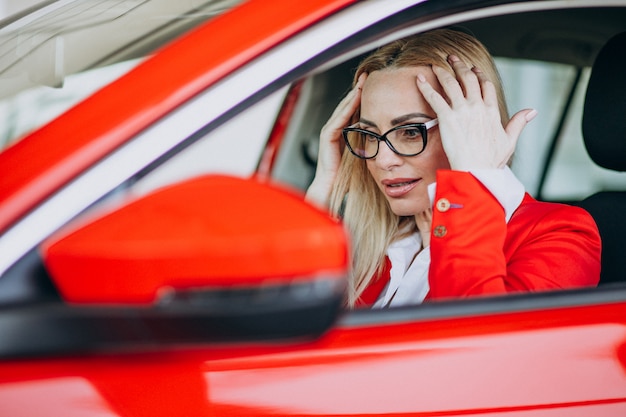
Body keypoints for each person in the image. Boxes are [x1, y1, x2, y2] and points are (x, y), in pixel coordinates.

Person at [305, 29, 601, 308]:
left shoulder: (560, 234)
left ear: (472, 128)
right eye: (369, 135)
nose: (382, 160)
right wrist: (321, 194)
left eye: (410, 131)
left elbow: (475, 346)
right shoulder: (377, 242)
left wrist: (472, 177)